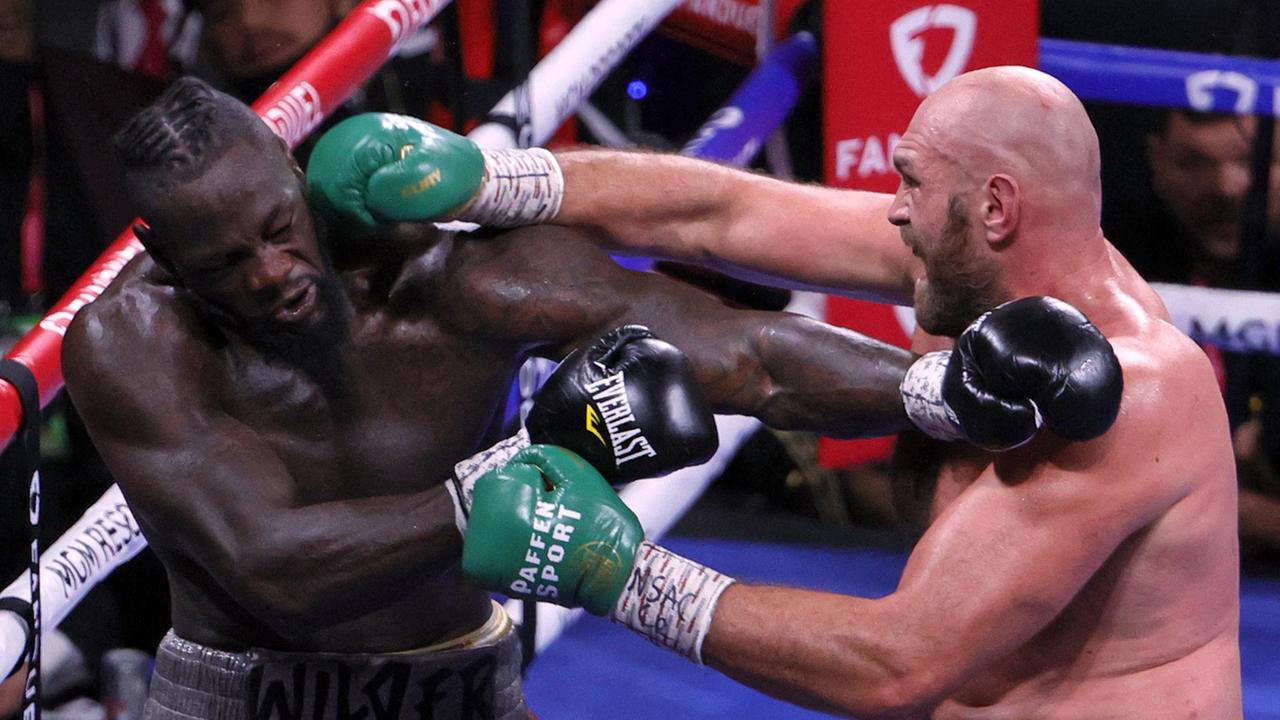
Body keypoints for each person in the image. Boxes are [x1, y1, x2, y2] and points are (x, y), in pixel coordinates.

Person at [56, 77, 1115, 719]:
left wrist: (936, 390)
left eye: (277, 231)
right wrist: (502, 482)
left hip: (452, 686)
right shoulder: (136, 344)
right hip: (250, 694)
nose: (271, 272)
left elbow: (739, 352)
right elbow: (273, 566)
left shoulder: (449, 277)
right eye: (225, 261)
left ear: (297, 178)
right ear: (157, 253)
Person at [404, 65, 1242, 718]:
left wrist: (616, 571)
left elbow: (899, 664)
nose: (894, 211)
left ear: (995, 208)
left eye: (911, 181)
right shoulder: (961, 272)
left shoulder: (1129, 392)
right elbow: (715, 213)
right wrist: (487, 177)